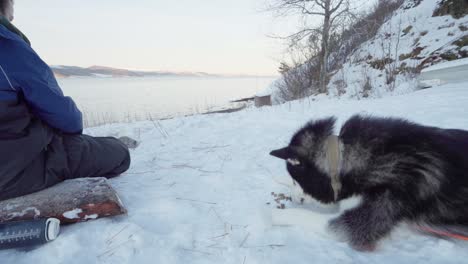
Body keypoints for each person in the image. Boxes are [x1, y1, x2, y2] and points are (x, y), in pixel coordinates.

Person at [0, 0, 131, 201]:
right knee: (119, 154)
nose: (13, 16)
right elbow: (64, 116)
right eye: (13, 5)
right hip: (14, 171)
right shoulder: (9, 46)